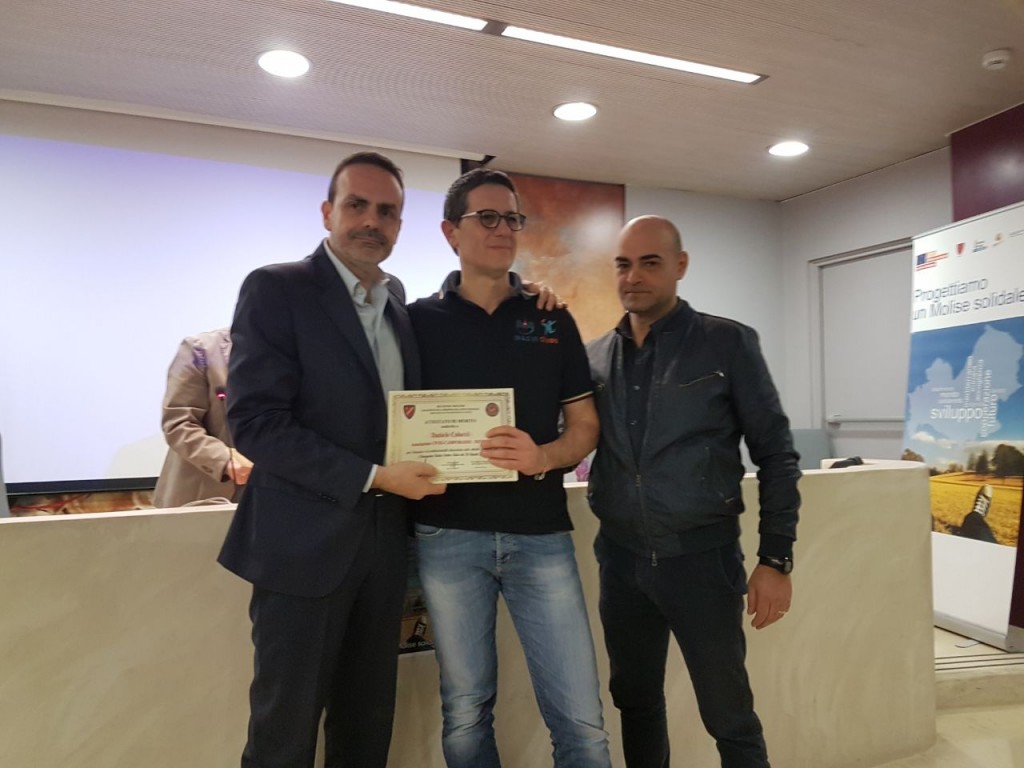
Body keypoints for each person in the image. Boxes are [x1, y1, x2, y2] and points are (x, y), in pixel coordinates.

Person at [217, 151, 446, 768]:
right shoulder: (277, 288)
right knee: (284, 733)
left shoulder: (398, 304)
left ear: (400, 225)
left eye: (387, 211)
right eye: (357, 205)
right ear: (327, 212)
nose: (372, 221)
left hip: (384, 548)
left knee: (366, 727)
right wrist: (374, 476)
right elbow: (255, 422)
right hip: (302, 549)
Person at [408, 168, 612, 768]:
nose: (503, 229)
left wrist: (543, 456)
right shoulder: (414, 322)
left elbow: (585, 426)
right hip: (446, 535)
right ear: (451, 232)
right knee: (466, 711)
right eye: (487, 217)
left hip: (541, 535)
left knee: (582, 721)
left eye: (512, 219)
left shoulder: (552, 320)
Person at [586, 215, 801, 768]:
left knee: (728, 714)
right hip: (621, 562)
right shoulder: (595, 357)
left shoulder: (726, 343)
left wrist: (775, 558)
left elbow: (776, 454)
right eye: (623, 264)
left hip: (702, 563)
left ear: (680, 266)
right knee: (634, 700)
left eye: (649, 263)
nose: (633, 276)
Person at [152, 328, 253, 508]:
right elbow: (179, 423)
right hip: (206, 498)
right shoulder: (200, 350)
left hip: (280, 498)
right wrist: (224, 460)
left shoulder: (297, 355)